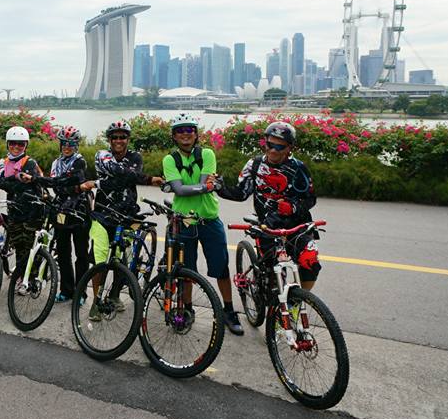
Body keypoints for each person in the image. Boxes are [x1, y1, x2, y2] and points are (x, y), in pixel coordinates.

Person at [212, 121, 320, 290]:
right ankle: (267, 305)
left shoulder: (299, 168)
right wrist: (220, 188)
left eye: (280, 147)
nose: (273, 150)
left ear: (289, 148)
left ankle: (297, 303)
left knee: (311, 263)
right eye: (270, 144)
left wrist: (292, 207)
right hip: (268, 225)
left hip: (296, 224)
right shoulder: (254, 165)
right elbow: (241, 193)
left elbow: (310, 199)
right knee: (272, 277)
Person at [161, 112, 243, 335]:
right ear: (174, 136)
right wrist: (205, 187)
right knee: (187, 271)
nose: (185, 134)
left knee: (221, 268)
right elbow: (180, 190)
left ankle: (228, 310)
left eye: (189, 130)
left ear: (196, 134)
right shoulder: (170, 159)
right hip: (183, 221)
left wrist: (197, 187)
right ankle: (187, 310)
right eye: (180, 131)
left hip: (208, 219)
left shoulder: (207, 154)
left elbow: (188, 186)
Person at [88, 120, 164, 320]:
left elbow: (129, 176)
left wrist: (101, 182)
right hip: (102, 214)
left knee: (124, 260)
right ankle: (96, 302)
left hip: (127, 215)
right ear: (109, 139)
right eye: (115, 137)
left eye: (123, 137)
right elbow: (125, 175)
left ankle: (114, 295)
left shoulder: (135, 156)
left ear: (128, 139)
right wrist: (147, 179)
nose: (119, 140)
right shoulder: (101, 155)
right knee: (99, 262)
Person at [39, 126, 92, 303]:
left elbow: (67, 181)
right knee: (62, 252)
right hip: (61, 209)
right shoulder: (56, 163)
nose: (67, 147)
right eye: (64, 143)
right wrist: (63, 186)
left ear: (76, 145)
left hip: (80, 211)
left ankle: (81, 292)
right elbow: (57, 185)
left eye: (71, 144)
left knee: (81, 254)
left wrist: (64, 186)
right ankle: (66, 290)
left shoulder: (80, 162)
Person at [0, 126, 44, 284]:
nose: (16, 147)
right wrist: (12, 179)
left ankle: (32, 279)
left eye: (20, 144)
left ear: (26, 145)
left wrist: (6, 182)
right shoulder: (4, 162)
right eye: (13, 143)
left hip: (32, 212)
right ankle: (22, 276)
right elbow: (1, 181)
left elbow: (13, 184)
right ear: (7, 144)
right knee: (19, 246)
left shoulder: (30, 162)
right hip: (14, 209)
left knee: (29, 248)